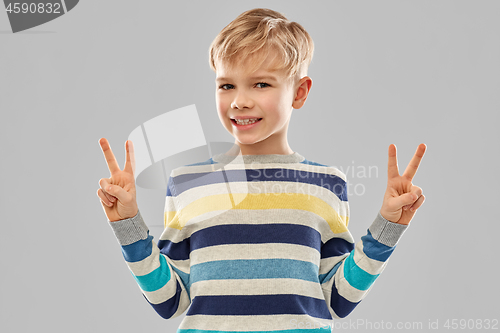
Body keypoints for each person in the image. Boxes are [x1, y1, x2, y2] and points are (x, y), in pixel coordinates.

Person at [97, 8, 426, 332]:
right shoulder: (187, 183)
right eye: (227, 86)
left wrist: (388, 226)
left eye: (261, 84)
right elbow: (170, 300)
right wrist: (127, 224)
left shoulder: (327, 184)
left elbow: (339, 298)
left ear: (299, 92)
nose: (240, 101)